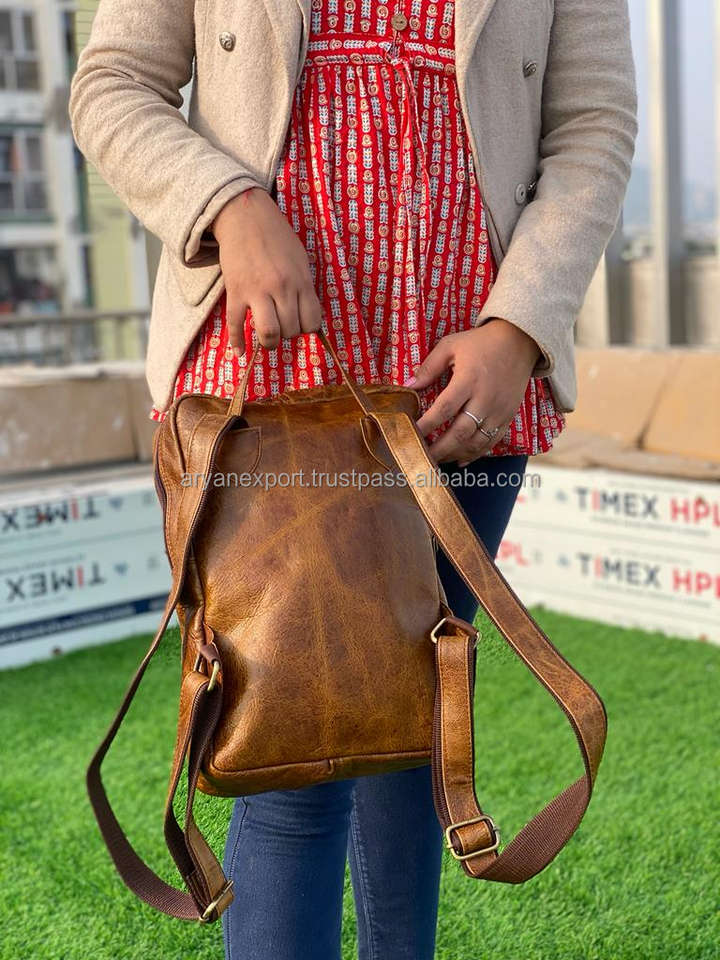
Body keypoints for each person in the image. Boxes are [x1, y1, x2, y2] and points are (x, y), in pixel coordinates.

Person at [68, 1, 637, 957]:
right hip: (266, 389)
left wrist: (521, 325)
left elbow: (593, 121)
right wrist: (226, 202)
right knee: (292, 762)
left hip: (464, 392)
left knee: (417, 742)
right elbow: (111, 84)